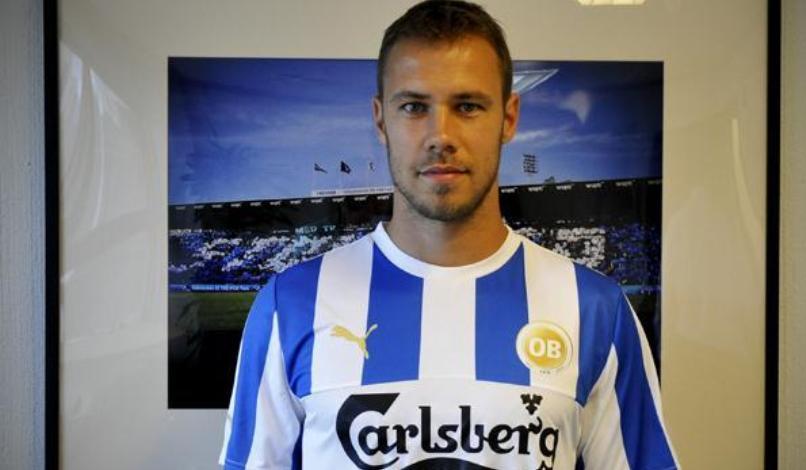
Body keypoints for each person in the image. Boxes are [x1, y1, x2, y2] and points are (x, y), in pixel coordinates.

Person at [219, 1, 678, 469]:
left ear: (509, 118)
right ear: (380, 119)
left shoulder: (595, 308)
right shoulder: (290, 305)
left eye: (468, 106)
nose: (441, 135)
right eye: (414, 107)